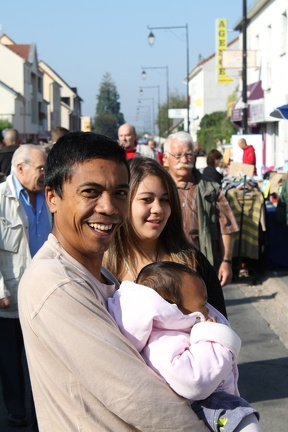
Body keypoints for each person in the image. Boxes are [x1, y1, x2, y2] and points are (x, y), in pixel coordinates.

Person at [18, 132, 211, 432]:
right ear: (53, 197)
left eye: (120, 193)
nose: (108, 207)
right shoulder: (56, 282)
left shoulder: (98, 274)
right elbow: (135, 394)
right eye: (91, 192)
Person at [108, 261, 261, 432]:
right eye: (203, 304)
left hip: (205, 404)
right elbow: (195, 382)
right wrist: (212, 338)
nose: (208, 311)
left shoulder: (173, 329)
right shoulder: (162, 340)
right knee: (245, 422)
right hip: (205, 407)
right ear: (174, 307)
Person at [104, 156, 228, 317]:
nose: (158, 209)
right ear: (123, 202)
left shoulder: (193, 263)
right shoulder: (102, 268)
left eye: (165, 199)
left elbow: (222, 327)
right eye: (147, 199)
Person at [0, 144, 51, 427]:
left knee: (39, 359)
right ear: (21, 169)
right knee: (10, 361)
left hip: (43, 295)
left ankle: (38, 412)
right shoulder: (1, 199)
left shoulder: (49, 197)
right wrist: (0, 292)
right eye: (41, 168)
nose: (45, 173)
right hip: (11, 296)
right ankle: (16, 414)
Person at [163, 132, 239, 287]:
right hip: (165, 267)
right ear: (165, 158)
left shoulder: (211, 188)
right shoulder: (157, 187)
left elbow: (227, 227)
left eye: (188, 155)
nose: (184, 160)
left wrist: (226, 261)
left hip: (202, 266)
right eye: (178, 155)